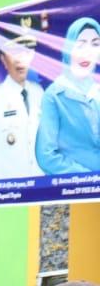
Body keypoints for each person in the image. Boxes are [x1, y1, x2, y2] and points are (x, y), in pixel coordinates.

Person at [35, 17, 100, 175]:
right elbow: (46, 156)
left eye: (95, 44)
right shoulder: (54, 95)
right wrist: (88, 178)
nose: (87, 52)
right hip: (75, 189)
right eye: (80, 45)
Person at [0, 35, 43, 180]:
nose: (20, 59)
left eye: (26, 52)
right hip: (8, 196)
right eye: (14, 52)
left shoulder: (39, 93)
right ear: (3, 60)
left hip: (40, 191)